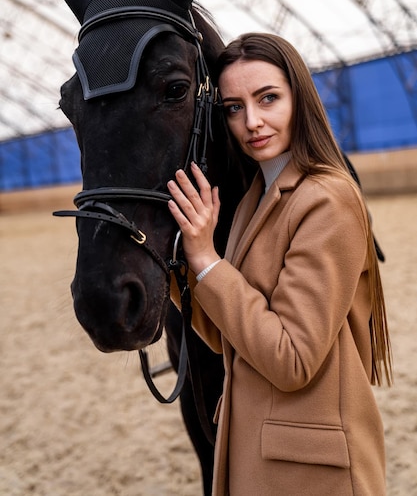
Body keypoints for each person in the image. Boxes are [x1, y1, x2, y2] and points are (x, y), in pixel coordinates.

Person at [167, 32, 392, 496]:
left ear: (299, 98)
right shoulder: (255, 197)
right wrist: (181, 261)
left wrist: (208, 260)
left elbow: (291, 359)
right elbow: (228, 335)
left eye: (268, 98)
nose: (252, 121)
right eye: (233, 107)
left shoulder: (326, 199)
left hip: (311, 470)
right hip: (258, 453)